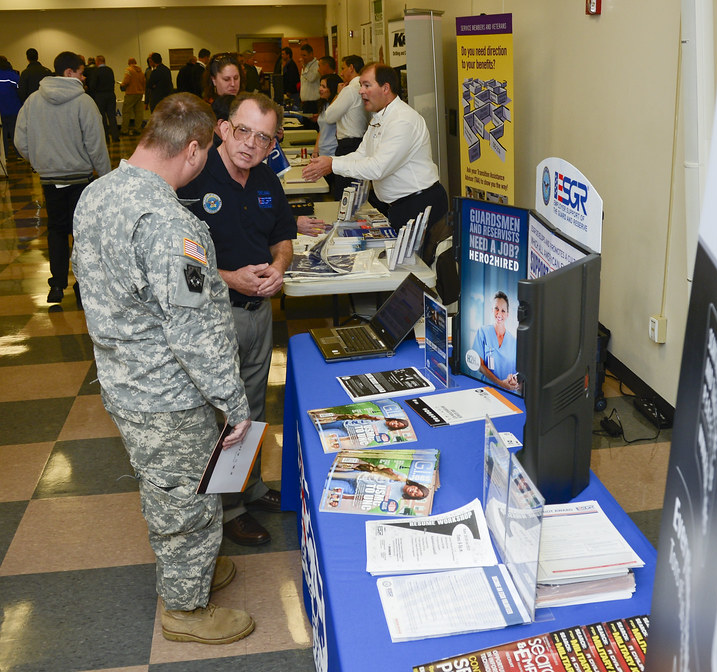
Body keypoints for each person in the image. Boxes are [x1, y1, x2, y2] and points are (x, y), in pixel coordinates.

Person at [72, 92, 255, 645]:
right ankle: (185, 607)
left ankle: (194, 569)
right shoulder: (171, 226)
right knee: (186, 499)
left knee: (169, 487)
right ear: (195, 150)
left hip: (126, 379)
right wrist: (234, 401)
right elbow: (194, 332)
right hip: (170, 394)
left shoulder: (96, 194)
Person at [177, 92, 297, 546]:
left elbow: (283, 237)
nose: (250, 144)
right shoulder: (194, 178)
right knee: (224, 415)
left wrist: (279, 269)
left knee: (253, 407)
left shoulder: (267, 179)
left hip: (259, 313)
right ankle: (229, 510)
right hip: (213, 315)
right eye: (243, 130)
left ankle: (251, 486)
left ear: (272, 145)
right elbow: (181, 258)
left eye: (262, 137)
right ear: (224, 129)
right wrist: (230, 277)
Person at [302, 63, 447, 239]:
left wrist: (333, 165)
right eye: (361, 85)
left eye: (366, 85)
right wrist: (328, 161)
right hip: (400, 205)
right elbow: (362, 154)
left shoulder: (402, 120)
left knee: (418, 264)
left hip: (419, 205)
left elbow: (378, 168)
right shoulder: (380, 117)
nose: (361, 91)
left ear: (385, 88)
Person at [15, 51, 110, 305]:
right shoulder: (84, 102)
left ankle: (56, 286)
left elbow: (19, 140)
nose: (84, 78)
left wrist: (38, 160)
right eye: (81, 72)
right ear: (69, 73)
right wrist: (106, 176)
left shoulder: (33, 101)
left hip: (49, 179)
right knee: (83, 235)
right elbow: (96, 144)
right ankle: (83, 287)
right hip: (80, 180)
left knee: (56, 231)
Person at [318, 54, 368, 199]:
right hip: (360, 142)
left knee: (344, 190)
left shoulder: (350, 89)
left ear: (351, 68)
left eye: (343, 68)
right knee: (357, 190)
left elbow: (329, 116)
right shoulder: (363, 87)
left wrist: (338, 94)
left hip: (348, 145)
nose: (340, 72)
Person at [471, 291, 519, 391]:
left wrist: (514, 382)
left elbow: (517, 375)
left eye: (503, 310)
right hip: (485, 390)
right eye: (496, 309)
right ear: (492, 310)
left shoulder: (514, 342)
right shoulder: (483, 332)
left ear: (507, 315)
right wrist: (501, 384)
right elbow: (479, 365)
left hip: (507, 394)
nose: (499, 313)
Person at [313, 73, 342, 168]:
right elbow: (322, 129)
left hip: (333, 152)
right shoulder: (324, 105)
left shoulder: (336, 108)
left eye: (324, 87)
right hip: (322, 151)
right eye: (320, 85)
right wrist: (316, 150)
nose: (320, 89)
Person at [89, 55, 119, 142]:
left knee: (102, 117)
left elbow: (92, 85)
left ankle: (106, 138)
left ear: (97, 62)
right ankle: (115, 136)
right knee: (112, 116)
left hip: (100, 96)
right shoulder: (110, 70)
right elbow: (113, 82)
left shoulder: (96, 71)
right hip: (111, 94)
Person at [120, 57, 145, 136]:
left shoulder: (129, 70)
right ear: (135, 62)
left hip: (130, 93)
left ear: (129, 63)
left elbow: (126, 81)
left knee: (126, 112)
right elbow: (144, 82)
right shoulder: (141, 71)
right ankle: (138, 129)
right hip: (139, 93)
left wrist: (122, 84)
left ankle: (124, 130)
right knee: (138, 112)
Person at [0, 56, 20, 157]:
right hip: (14, 107)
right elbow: (20, 88)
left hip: (2, 109)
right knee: (14, 132)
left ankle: (5, 155)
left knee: (4, 131)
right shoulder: (12, 75)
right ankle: (18, 154)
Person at [297, 44, 319, 113]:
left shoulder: (317, 65)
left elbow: (311, 78)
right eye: (301, 55)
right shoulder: (305, 66)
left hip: (313, 102)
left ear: (311, 54)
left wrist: (304, 67)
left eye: (304, 55)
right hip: (305, 102)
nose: (302, 58)